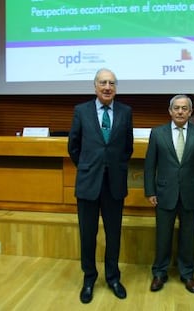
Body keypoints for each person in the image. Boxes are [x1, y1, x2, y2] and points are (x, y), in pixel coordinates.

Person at [68, 68, 134, 304]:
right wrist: (88, 166)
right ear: (95, 86)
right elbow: (73, 146)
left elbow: (127, 147)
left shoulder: (126, 111)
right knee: (88, 234)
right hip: (88, 183)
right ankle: (89, 278)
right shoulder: (81, 111)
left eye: (112, 83)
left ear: (116, 87)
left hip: (114, 184)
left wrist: (112, 166)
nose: (108, 87)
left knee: (113, 234)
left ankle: (113, 277)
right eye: (103, 83)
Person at [144, 94, 194, 294]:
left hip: (191, 194)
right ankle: (159, 273)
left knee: (188, 237)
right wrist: (150, 191)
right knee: (162, 236)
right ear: (170, 111)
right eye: (177, 108)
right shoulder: (157, 133)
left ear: (190, 112)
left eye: (185, 108)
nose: (180, 111)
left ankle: (187, 274)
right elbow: (150, 165)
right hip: (164, 193)